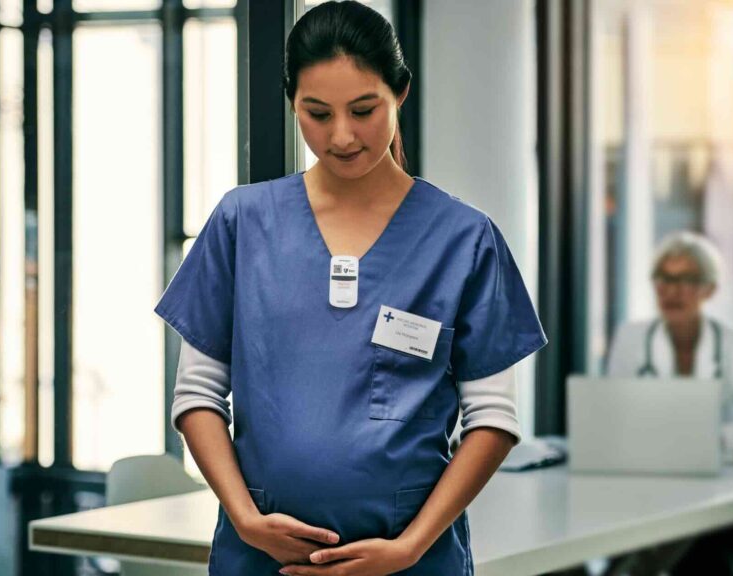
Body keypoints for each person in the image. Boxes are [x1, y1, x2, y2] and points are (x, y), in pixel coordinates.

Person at [155, 2, 547, 575]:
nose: (341, 137)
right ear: (292, 103)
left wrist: (410, 548)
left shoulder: (463, 239)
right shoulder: (243, 223)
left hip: (410, 560)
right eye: (317, 114)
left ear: (401, 94)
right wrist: (244, 520)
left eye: (364, 110)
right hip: (264, 558)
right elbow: (197, 394)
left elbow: (492, 417)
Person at [603, 231, 733, 576]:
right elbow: (613, 420)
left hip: (719, 497)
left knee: (699, 547)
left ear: (710, 289)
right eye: (663, 278)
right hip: (643, 488)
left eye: (686, 280)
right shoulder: (630, 340)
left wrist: (715, 438)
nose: (672, 291)